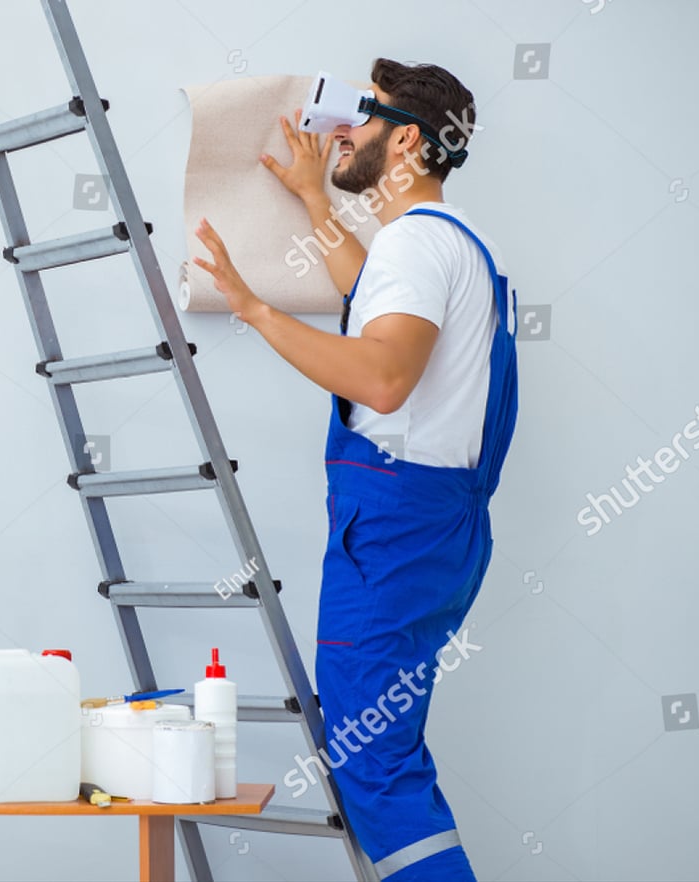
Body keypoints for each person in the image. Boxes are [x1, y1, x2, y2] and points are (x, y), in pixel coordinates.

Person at [193, 58, 518, 881]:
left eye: (362, 118)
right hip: (431, 523)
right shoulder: (443, 242)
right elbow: (370, 295)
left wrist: (255, 307)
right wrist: (314, 199)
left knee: (375, 764)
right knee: (383, 754)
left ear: (406, 138)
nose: (343, 130)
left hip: (398, 528)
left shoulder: (415, 246)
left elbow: (380, 375)